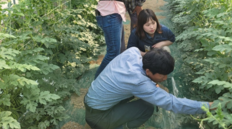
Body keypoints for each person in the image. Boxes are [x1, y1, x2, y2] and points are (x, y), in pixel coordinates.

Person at [85, 47, 214, 129]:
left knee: (131, 93)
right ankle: (125, 126)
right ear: (148, 71)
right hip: (98, 118)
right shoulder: (139, 82)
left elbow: (146, 54)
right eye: (162, 75)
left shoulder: (132, 52)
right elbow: (172, 103)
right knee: (146, 107)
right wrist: (207, 106)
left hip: (91, 100)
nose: (165, 78)